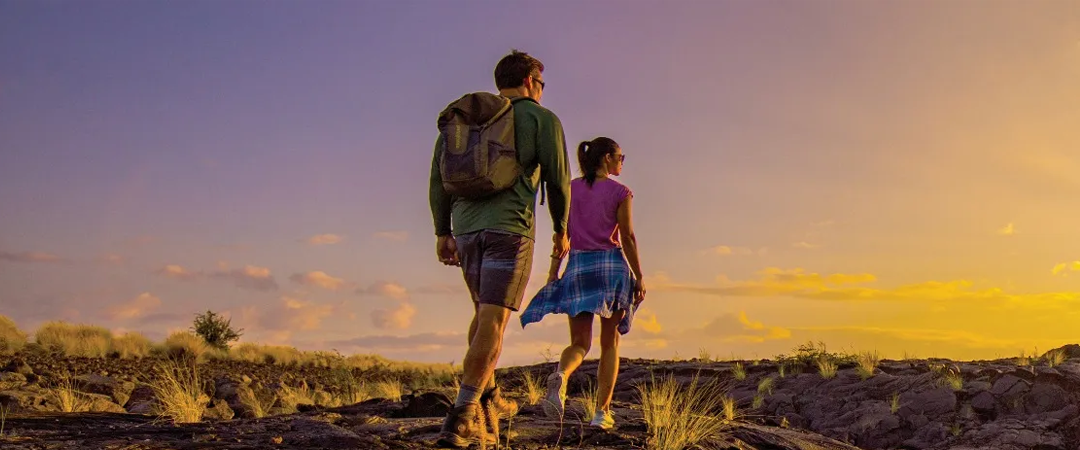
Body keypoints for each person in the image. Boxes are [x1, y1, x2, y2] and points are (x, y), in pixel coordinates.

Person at [429, 49, 571, 448]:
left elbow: (438, 179)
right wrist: (562, 231)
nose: (541, 91)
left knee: (482, 317)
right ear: (530, 81)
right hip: (510, 230)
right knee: (493, 322)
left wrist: (443, 231)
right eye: (541, 83)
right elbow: (559, 181)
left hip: (467, 231)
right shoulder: (541, 118)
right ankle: (461, 418)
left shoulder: (468, 121)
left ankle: (488, 402)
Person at [519, 136, 646, 430]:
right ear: (606, 159)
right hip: (611, 268)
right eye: (620, 156)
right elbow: (626, 236)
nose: (622, 162)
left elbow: (560, 238)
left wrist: (554, 272)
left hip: (578, 267)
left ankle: (562, 374)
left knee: (579, 343)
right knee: (609, 343)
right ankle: (601, 413)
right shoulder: (621, 192)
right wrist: (639, 275)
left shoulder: (569, 190)